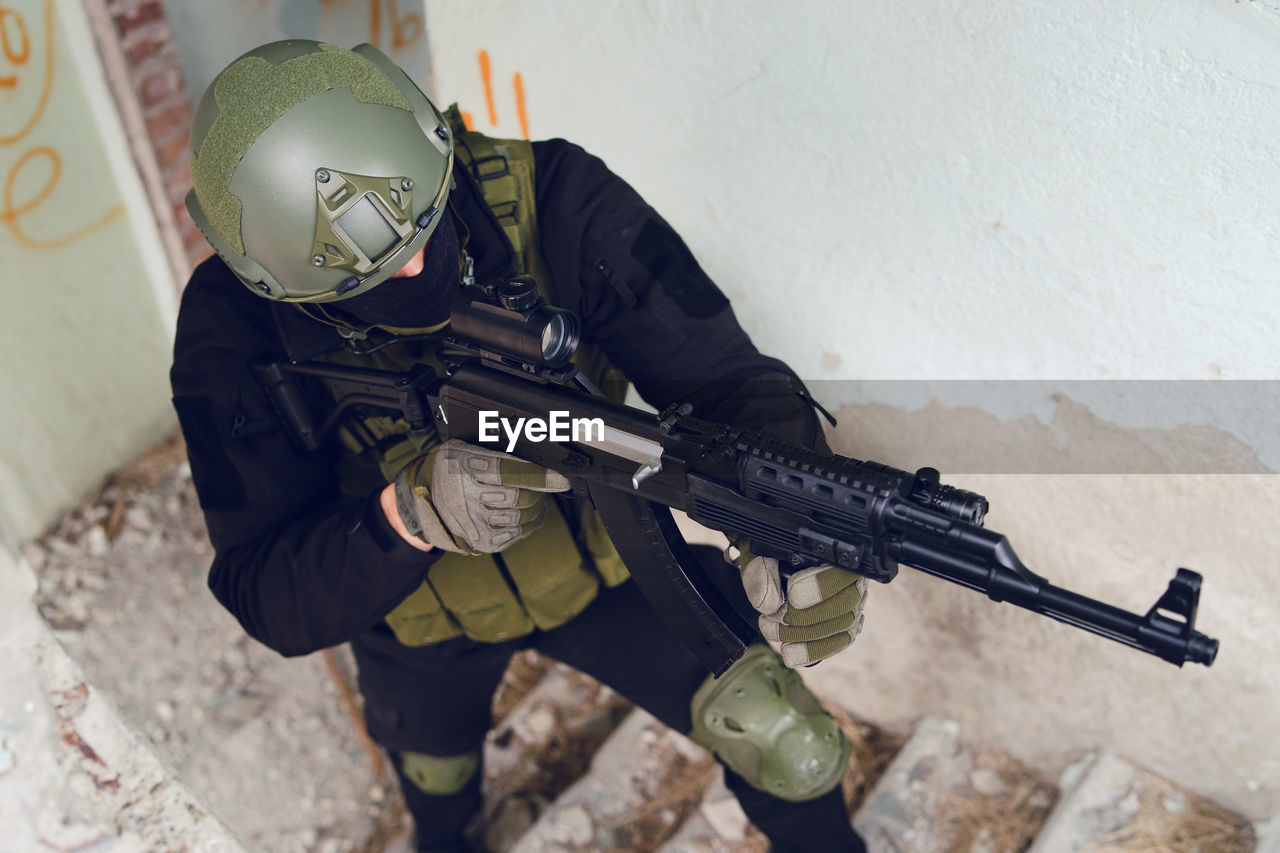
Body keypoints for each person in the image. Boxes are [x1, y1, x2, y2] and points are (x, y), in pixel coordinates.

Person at [171, 39, 869, 853]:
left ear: (430, 141)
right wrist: (409, 514)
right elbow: (264, 588)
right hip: (419, 621)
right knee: (436, 793)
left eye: (428, 224)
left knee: (787, 741)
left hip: (608, 560)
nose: (415, 269)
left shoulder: (555, 196)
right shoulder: (233, 327)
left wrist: (797, 526)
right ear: (278, 278)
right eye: (367, 281)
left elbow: (729, 382)